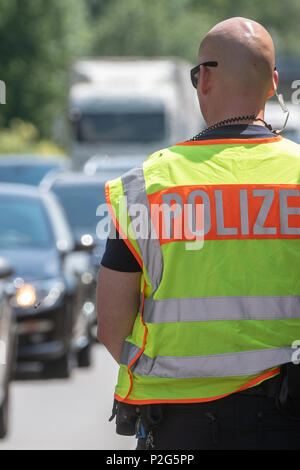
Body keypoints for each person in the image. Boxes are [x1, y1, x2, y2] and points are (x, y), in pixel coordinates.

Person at [97, 17, 300, 450]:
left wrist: (158, 370)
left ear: (203, 78)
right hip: (288, 416)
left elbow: (111, 325)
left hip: (176, 424)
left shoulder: (146, 185)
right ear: (273, 83)